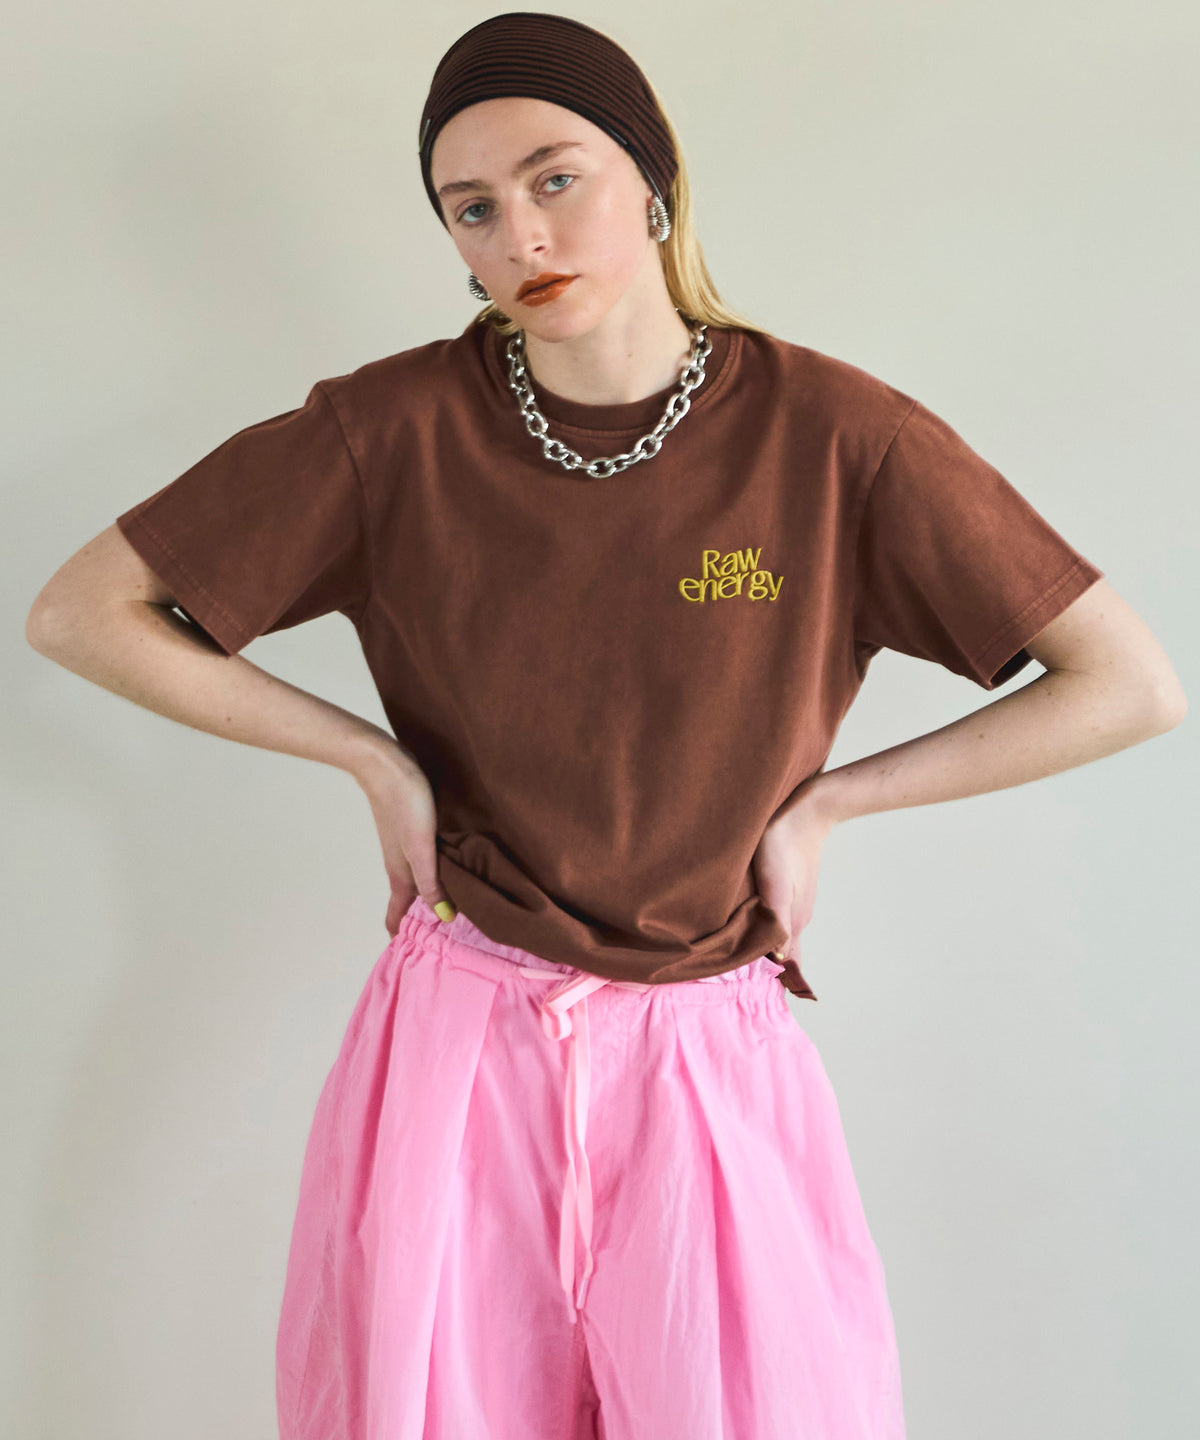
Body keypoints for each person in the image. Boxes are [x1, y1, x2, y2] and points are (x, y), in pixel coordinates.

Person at [25, 11, 1185, 1439]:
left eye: (555, 177)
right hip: (460, 1048)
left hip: (708, 1056)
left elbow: (1125, 682)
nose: (520, 232)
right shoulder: (389, 433)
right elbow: (83, 611)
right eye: (472, 207)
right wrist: (366, 756)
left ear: (653, 179)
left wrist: (831, 803)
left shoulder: (835, 437)